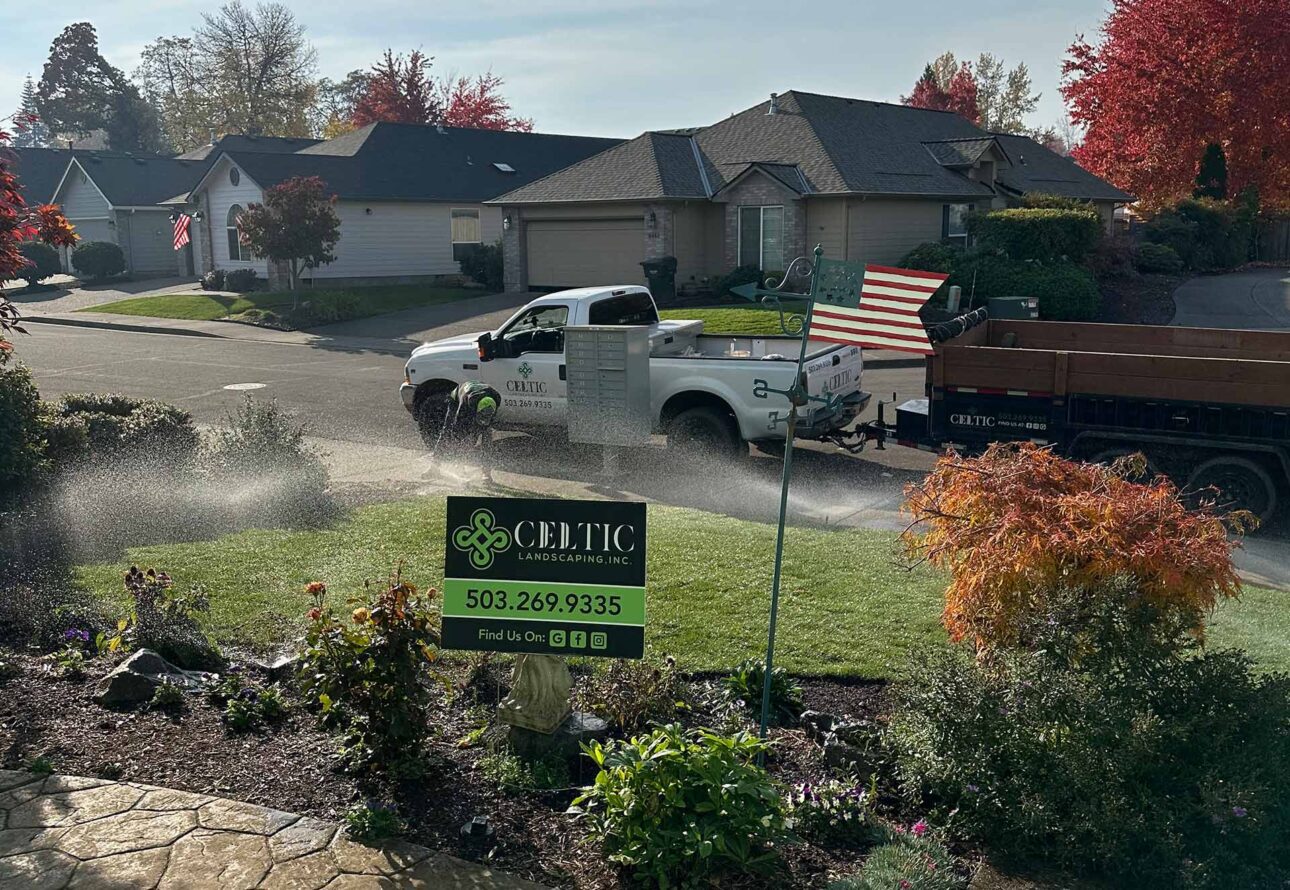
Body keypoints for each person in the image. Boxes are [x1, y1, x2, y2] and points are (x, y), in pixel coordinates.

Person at [442, 381, 501, 481]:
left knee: (487, 440)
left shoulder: (497, 398)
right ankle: (439, 466)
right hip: (457, 399)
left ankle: (486, 473)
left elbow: (488, 423)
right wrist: (461, 445)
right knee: (447, 430)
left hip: (480, 397)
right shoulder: (466, 402)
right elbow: (457, 429)